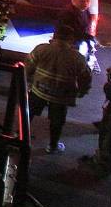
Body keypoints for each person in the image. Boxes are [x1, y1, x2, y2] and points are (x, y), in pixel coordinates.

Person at [26, 24, 92, 154]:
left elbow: (28, 67)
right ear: (71, 39)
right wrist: (82, 91)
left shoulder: (41, 49)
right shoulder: (77, 58)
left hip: (39, 90)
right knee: (57, 121)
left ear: (54, 36)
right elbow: (85, 77)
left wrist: (29, 81)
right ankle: (53, 146)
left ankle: (20, 136)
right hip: (61, 96)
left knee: (29, 113)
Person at [57, 0, 98, 73]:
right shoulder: (67, 13)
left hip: (77, 43)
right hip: (66, 45)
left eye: (88, 1)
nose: (86, 4)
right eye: (82, 1)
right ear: (74, 1)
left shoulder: (85, 12)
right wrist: (88, 38)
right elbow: (71, 32)